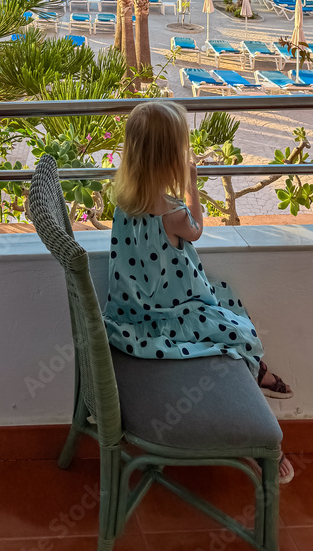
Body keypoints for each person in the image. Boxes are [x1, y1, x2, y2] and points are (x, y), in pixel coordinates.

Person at [104, 99, 293, 481]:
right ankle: (258, 392)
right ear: (171, 159)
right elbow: (197, 229)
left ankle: (257, 379)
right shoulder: (173, 214)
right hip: (171, 318)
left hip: (130, 316)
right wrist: (191, 185)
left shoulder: (124, 204)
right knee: (240, 329)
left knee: (227, 302)